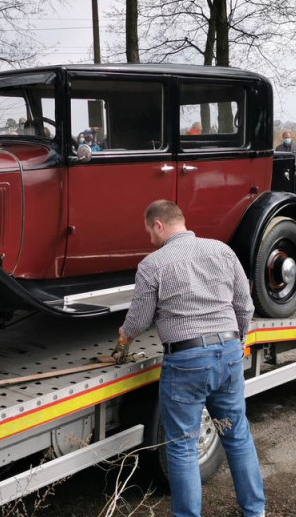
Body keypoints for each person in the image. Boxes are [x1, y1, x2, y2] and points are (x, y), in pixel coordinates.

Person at [117, 200, 265, 517]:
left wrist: (124, 336)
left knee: (183, 445)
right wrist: (237, 341)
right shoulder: (222, 252)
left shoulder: (153, 264)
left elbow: (140, 318)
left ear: (159, 224)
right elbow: (245, 304)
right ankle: (255, 512)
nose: (150, 240)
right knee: (236, 435)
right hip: (227, 355)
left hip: (187, 363)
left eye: (149, 232)